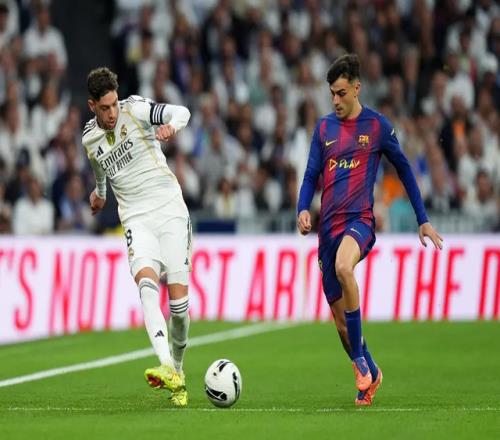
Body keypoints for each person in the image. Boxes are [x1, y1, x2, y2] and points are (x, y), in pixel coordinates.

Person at [297, 54, 443, 406]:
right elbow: (311, 173)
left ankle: (359, 363)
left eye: (341, 93)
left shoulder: (377, 126)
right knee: (341, 324)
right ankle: (371, 372)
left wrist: (422, 218)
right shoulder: (323, 129)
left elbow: (404, 169)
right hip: (327, 231)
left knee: (344, 267)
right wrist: (302, 207)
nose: (335, 100)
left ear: (356, 88)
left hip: (359, 221)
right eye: (331, 94)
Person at [83, 67, 192, 407]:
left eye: (114, 104)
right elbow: (100, 170)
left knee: (178, 308)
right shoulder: (89, 139)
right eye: (104, 108)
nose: (112, 113)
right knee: (146, 285)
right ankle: (166, 365)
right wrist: (100, 195)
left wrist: (173, 126)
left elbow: (182, 111)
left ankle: (178, 369)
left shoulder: (136, 109)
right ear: (92, 106)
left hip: (169, 207)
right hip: (136, 218)